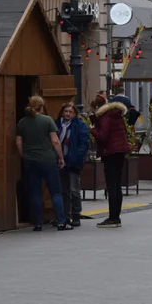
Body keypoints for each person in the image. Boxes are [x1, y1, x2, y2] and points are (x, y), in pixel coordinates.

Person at [15, 95, 68, 231]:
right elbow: (55, 141)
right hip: (48, 159)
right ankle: (61, 221)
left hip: (30, 160)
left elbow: (19, 143)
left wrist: (25, 156)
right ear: (42, 106)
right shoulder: (47, 120)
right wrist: (61, 157)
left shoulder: (22, 122)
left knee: (35, 193)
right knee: (55, 192)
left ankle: (38, 223)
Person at [90, 93, 131, 228]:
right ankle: (116, 216)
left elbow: (102, 136)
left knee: (111, 186)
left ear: (97, 107)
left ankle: (113, 218)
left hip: (111, 153)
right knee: (117, 185)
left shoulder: (105, 117)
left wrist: (93, 129)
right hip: (120, 152)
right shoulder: (116, 115)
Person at [56, 102, 89, 227]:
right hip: (60, 161)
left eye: (71, 112)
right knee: (63, 190)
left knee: (74, 189)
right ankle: (66, 215)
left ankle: (76, 214)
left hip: (73, 162)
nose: (68, 114)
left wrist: (76, 156)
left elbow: (84, 143)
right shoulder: (57, 124)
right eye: (66, 111)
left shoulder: (79, 125)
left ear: (75, 113)